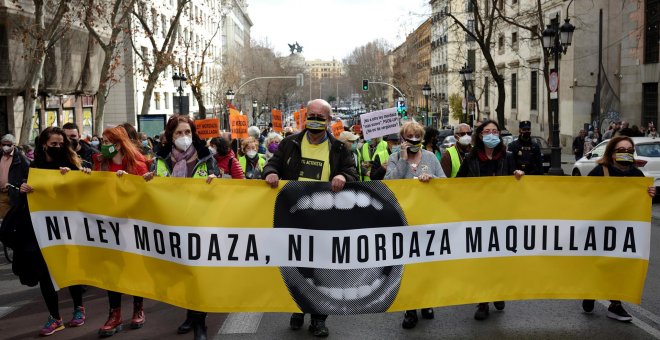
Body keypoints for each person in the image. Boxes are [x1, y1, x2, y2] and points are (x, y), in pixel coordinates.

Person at [262, 99, 358, 338]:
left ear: (328, 120)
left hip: (325, 217)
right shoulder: (289, 143)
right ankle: (297, 308)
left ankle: (318, 317)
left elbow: (352, 172)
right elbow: (272, 164)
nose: (315, 119)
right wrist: (271, 172)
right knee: (296, 265)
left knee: (322, 269)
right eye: (311, 115)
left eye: (320, 116)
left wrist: (344, 177)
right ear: (305, 117)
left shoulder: (338, 148)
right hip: (294, 215)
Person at [143, 115, 219, 340]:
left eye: (187, 132)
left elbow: (222, 183)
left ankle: (200, 324)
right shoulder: (160, 159)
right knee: (183, 272)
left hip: (200, 222)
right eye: (179, 133)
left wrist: (216, 179)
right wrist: (148, 180)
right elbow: (154, 187)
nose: (184, 137)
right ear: (170, 136)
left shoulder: (206, 157)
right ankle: (190, 315)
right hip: (173, 223)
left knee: (198, 273)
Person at [17, 127, 90, 336]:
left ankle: (78, 308)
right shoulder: (35, 166)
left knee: (70, 268)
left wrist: (77, 175)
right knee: (45, 273)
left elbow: (83, 190)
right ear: (44, 144)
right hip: (44, 229)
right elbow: (29, 197)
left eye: (61, 143)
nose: (58, 147)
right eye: (54, 144)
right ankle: (55, 317)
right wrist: (24, 190)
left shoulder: (70, 163)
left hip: (68, 228)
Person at [581, 136, 655, 322]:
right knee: (597, 263)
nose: (626, 153)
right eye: (621, 150)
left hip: (623, 231)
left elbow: (641, 202)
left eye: (629, 150)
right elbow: (581, 195)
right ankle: (590, 292)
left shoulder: (637, 176)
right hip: (599, 228)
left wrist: (649, 194)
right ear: (612, 153)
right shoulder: (600, 171)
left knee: (619, 265)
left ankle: (615, 304)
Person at [456, 120, 524, 320]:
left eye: (495, 131)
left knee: (499, 259)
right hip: (479, 217)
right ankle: (483, 301)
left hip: (502, 217)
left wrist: (520, 176)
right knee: (482, 260)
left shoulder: (509, 157)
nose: (492, 134)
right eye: (487, 131)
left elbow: (518, 183)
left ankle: (498, 291)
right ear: (480, 135)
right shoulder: (471, 158)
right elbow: (457, 184)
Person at [384, 121, 446, 329]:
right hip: (403, 221)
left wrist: (433, 178)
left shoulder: (429, 157)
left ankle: (427, 302)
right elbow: (389, 184)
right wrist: (402, 161)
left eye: (416, 136)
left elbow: (444, 182)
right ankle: (410, 309)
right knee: (408, 266)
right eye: (408, 136)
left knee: (427, 263)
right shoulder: (394, 158)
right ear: (402, 139)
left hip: (427, 219)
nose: (413, 139)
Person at [93, 126, 149, 337]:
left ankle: (138, 308)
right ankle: (114, 314)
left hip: (133, 224)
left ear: (117, 144)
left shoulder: (137, 163)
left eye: (106, 141)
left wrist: (128, 182)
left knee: (134, 267)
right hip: (109, 224)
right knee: (112, 270)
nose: (102, 145)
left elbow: (145, 192)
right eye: (101, 141)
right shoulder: (100, 162)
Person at [0, 134, 30, 218]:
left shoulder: (22, 158)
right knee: (3, 220)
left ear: (14, 145)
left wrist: (19, 188)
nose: (6, 147)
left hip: (15, 195)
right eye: (3, 144)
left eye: (8, 145)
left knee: (14, 220)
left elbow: (28, 176)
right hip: (2, 194)